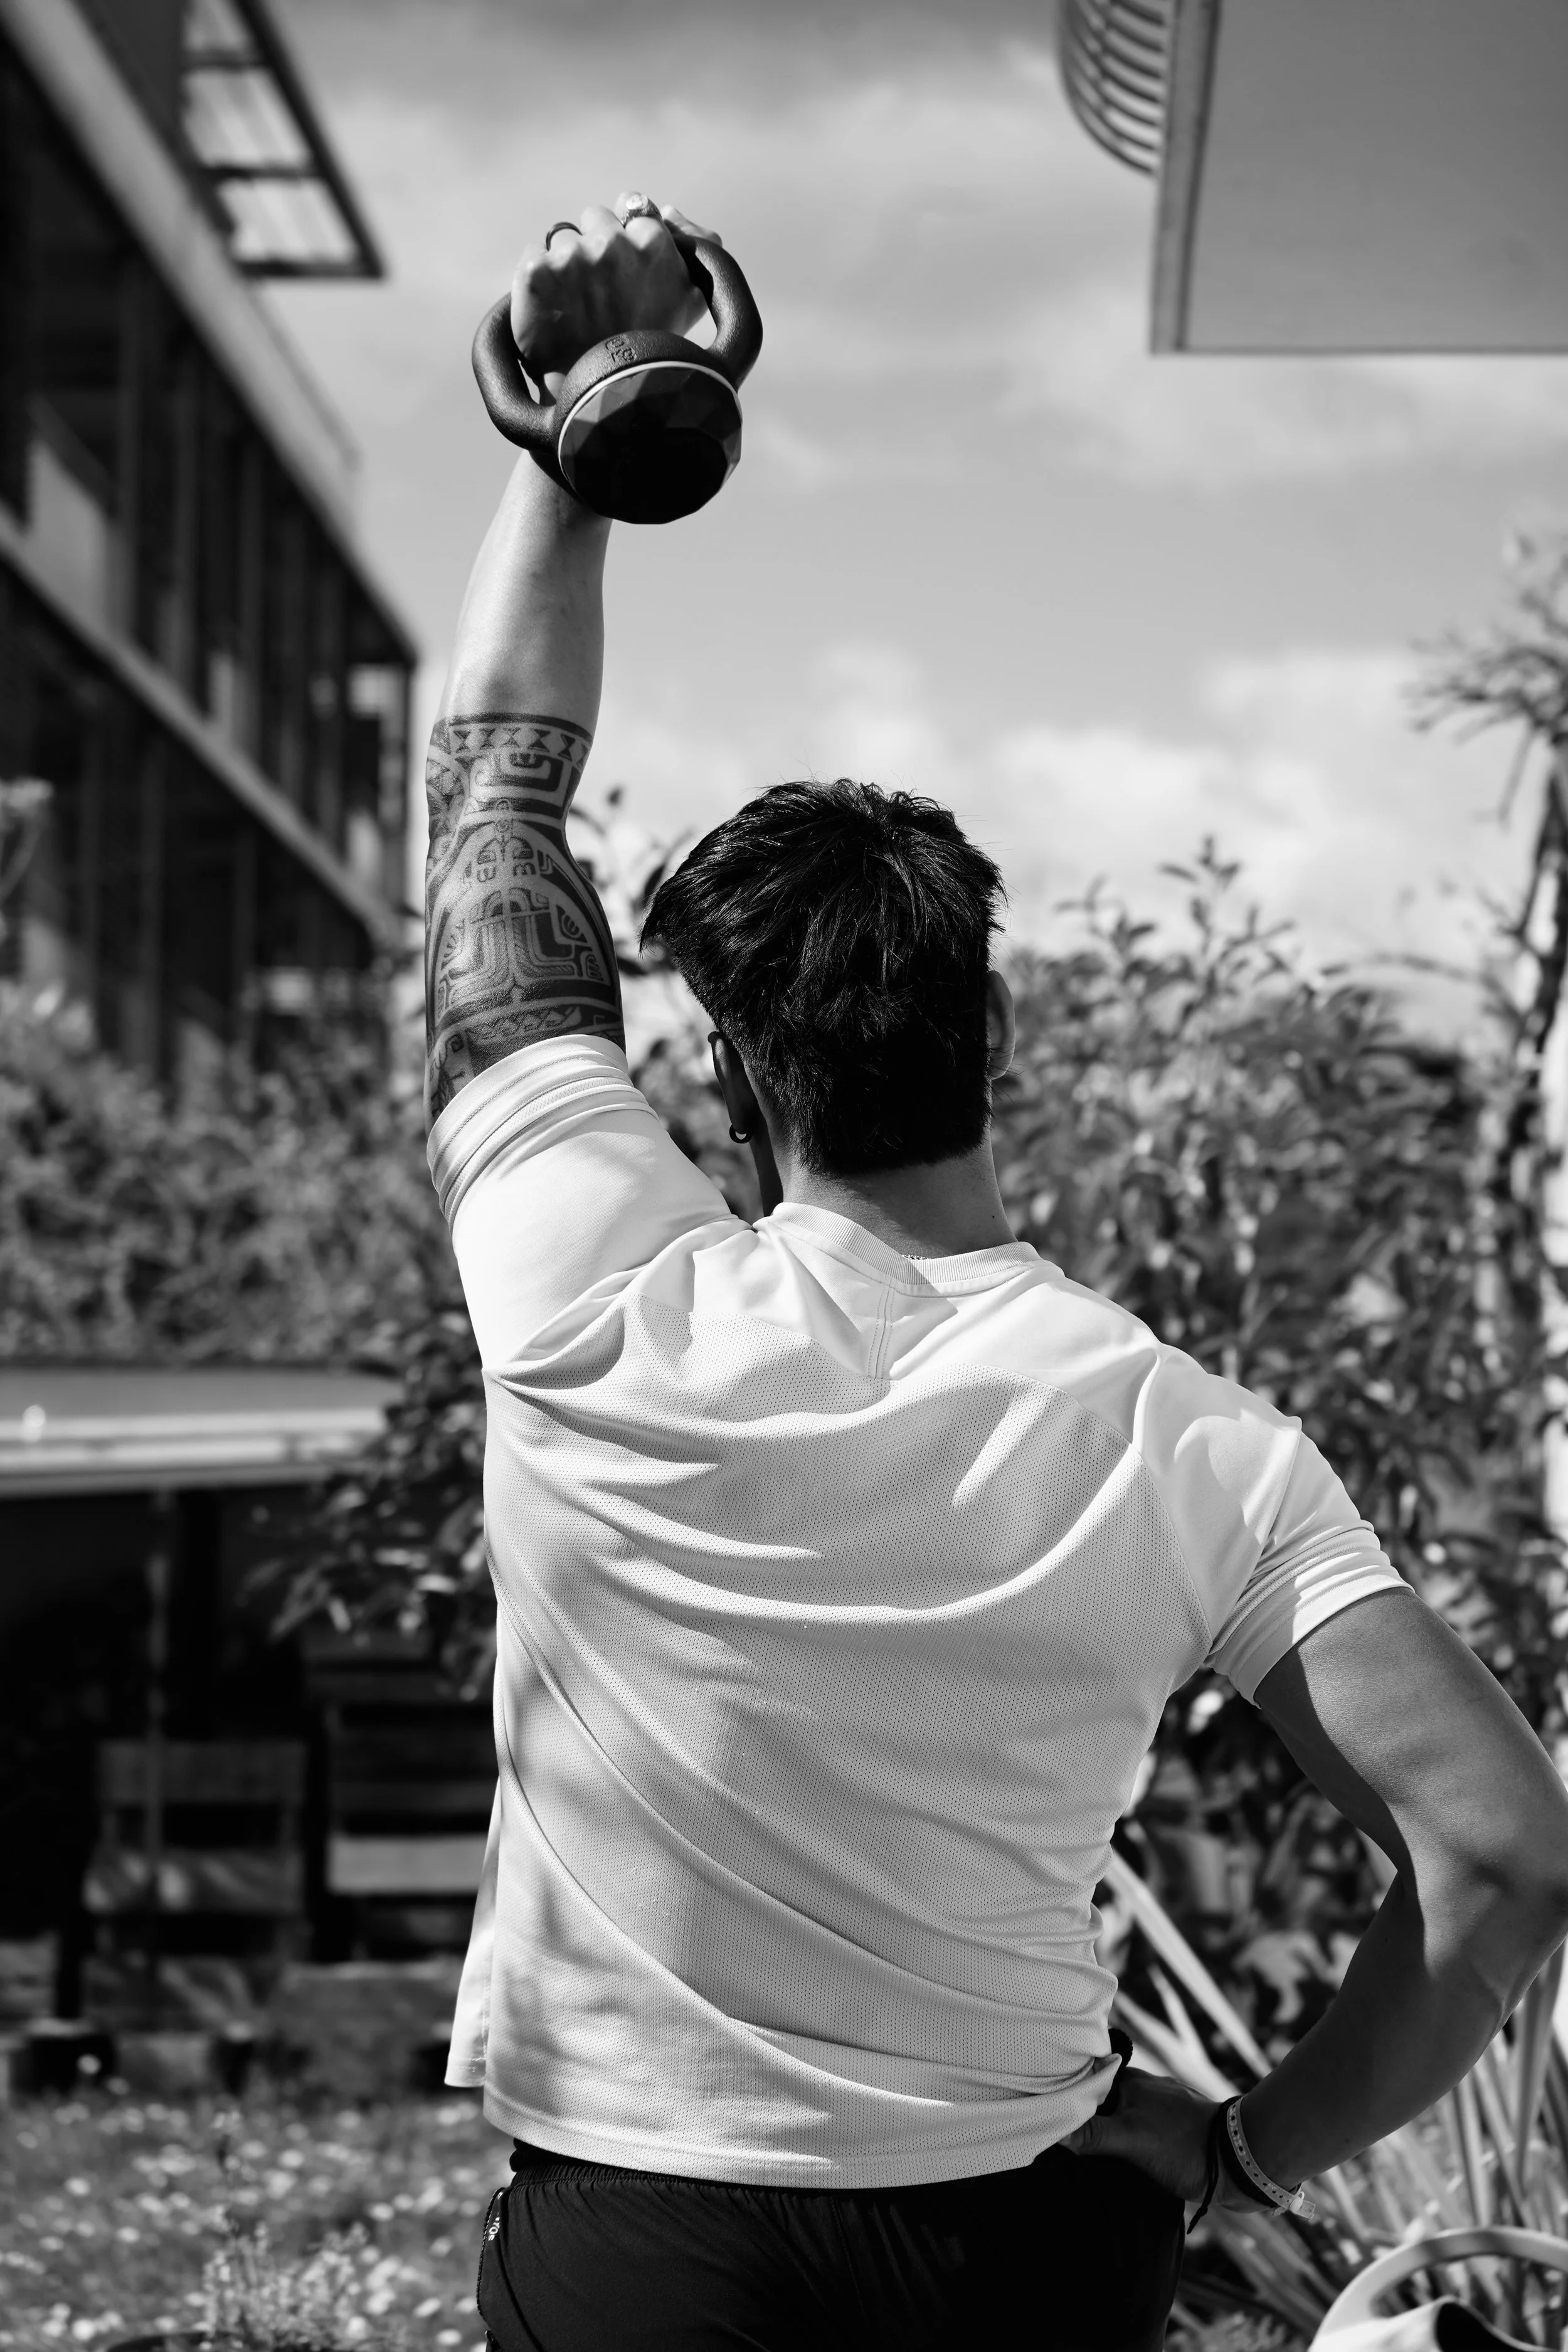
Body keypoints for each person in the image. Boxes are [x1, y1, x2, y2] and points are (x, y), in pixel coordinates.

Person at [425, 195, 1568, 2352]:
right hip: (1024, 2255)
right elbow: (1503, 1854)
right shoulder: (1189, 1441)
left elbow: (491, 817)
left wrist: (560, 454)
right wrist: (1241, 2155)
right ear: (994, 1044)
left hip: (652, 2256)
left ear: (733, 1093)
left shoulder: (592, 1299)